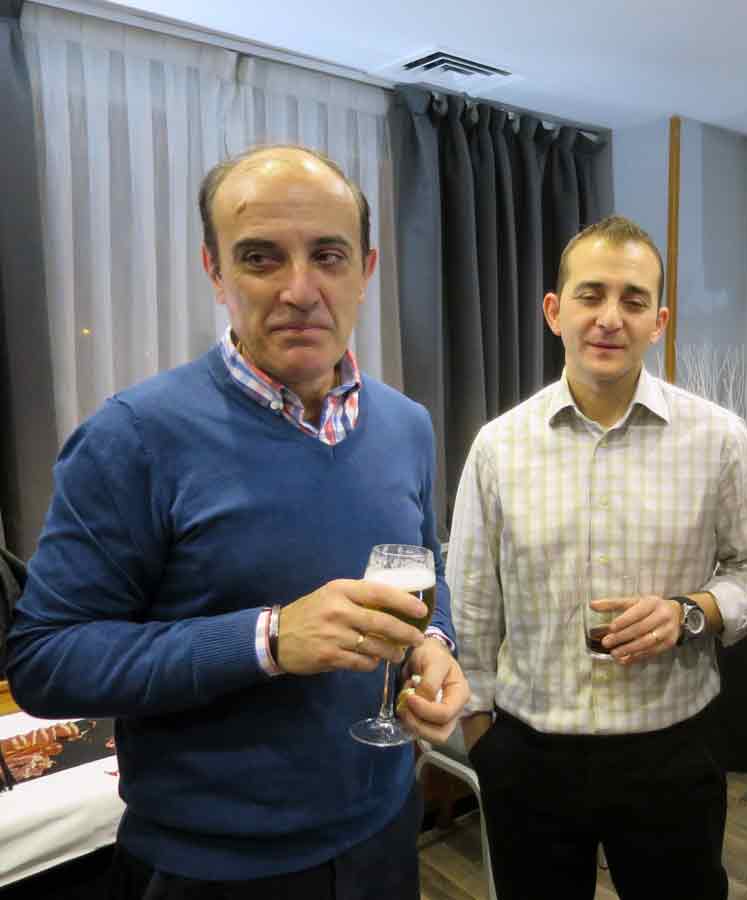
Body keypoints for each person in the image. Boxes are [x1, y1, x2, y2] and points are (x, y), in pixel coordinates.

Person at [6, 144, 469, 900]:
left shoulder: (406, 425)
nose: (300, 289)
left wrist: (435, 644)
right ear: (215, 273)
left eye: (328, 256)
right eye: (260, 258)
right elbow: (46, 661)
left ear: (365, 270)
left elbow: (425, 570)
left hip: (385, 834)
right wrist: (270, 639)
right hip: (210, 868)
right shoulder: (133, 436)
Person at [448, 215, 747, 900]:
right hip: (530, 754)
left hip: (672, 749)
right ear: (555, 311)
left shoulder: (719, 440)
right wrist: (480, 732)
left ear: (658, 322)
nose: (610, 318)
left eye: (633, 300)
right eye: (591, 295)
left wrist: (691, 612)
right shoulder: (498, 446)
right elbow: (473, 599)